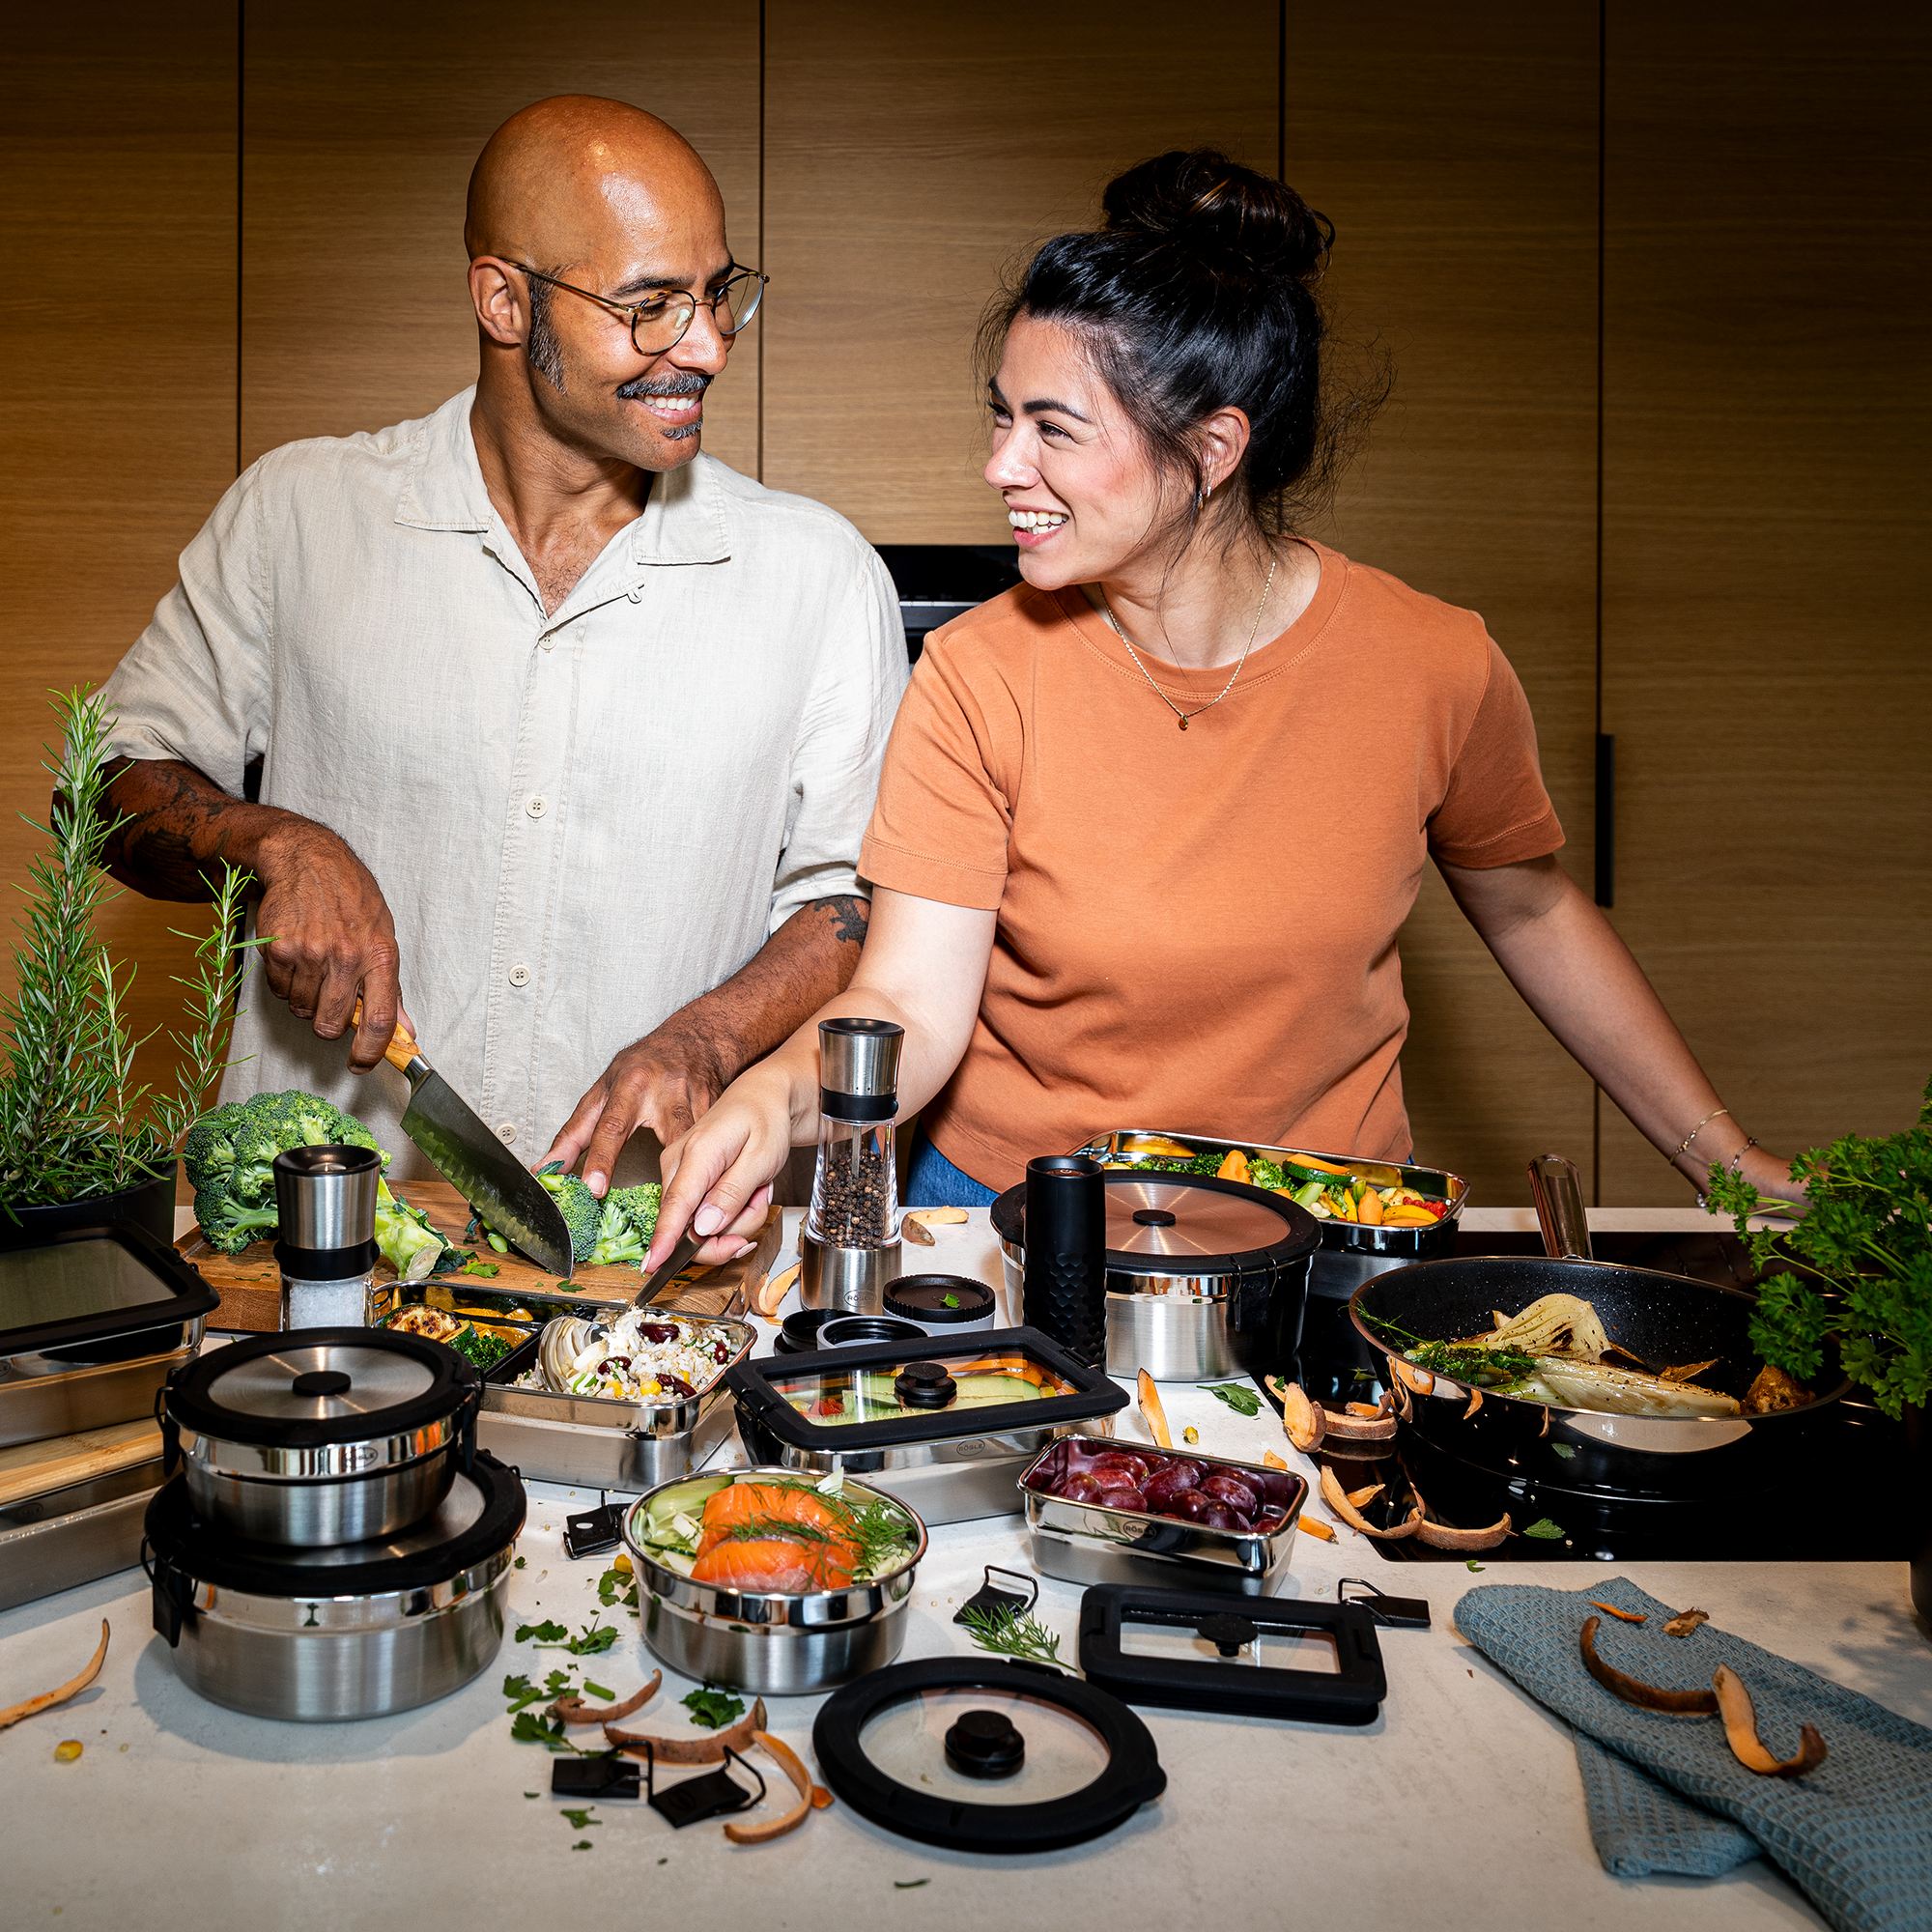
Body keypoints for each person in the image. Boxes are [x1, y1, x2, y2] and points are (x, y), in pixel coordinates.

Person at [644, 147, 1801, 1268]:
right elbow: (908, 996)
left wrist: (1727, 1161)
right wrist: (772, 1095)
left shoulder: (1431, 662)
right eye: (1001, 417)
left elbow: (1534, 912)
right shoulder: (974, 671)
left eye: (1052, 428)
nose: (1001, 465)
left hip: (1326, 1228)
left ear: (1209, 449)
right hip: (1018, 1214)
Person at [94, 96, 905, 1208]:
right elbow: (105, 784)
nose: (707, 345)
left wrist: (707, 1039)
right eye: (650, 305)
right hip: (316, 1249)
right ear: (503, 299)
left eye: (718, 294)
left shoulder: (819, 574)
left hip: (643, 1254)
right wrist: (273, 840)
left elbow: (851, 901)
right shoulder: (299, 514)